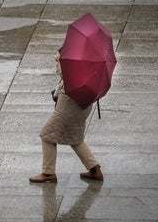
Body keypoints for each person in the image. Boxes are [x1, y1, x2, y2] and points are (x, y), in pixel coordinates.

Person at [29, 47, 103, 183]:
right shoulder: (90, 61)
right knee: (75, 138)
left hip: (69, 105)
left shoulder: (76, 62)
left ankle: (48, 173)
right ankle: (94, 169)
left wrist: (60, 62)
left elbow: (70, 78)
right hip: (81, 104)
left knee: (47, 135)